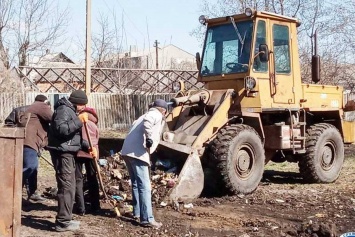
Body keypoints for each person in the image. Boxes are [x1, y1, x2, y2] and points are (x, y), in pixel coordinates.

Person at [47, 90, 96, 232]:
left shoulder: (70, 110)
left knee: (70, 186)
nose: (83, 108)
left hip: (67, 152)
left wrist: (87, 148)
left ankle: (65, 219)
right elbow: (61, 130)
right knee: (66, 187)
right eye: (83, 105)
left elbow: (73, 138)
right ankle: (62, 222)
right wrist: (78, 120)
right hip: (62, 153)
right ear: (77, 102)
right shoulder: (64, 110)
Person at [120, 99, 168, 229]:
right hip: (138, 154)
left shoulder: (141, 117)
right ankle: (147, 219)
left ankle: (137, 212)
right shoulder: (155, 114)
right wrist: (149, 139)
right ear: (163, 110)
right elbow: (148, 123)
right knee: (145, 187)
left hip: (127, 152)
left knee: (136, 184)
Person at [22, 95, 53, 201]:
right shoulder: (41, 106)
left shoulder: (32, 107)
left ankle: (32, 192)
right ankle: (13, 187)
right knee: (31, 166)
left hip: (28, 141)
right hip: (30, 142)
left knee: (32, 169)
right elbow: (53, 118)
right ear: (45, 101)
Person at [74, 106, 100, 216]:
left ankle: (81, 207)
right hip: (91, 153)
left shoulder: (79, 122)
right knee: (92, 178)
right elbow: (96, 139)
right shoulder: (93, 124)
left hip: (79, 153)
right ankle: (95, 206)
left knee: (78, 180)